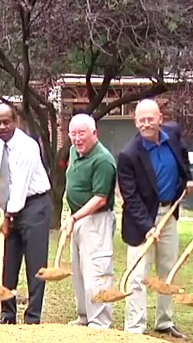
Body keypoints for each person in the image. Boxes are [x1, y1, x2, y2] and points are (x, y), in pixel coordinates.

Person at [116, 99, 193, 338]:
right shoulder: (128, 155)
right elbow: (130, 197)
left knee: (168, 270)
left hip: (169, 213)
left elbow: (182, 157)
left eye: (151, 118)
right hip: (142, 219)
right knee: (138, 274)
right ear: (135, 121)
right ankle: (135, 327)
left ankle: (165, 321)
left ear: (160, 118)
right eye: (141, 119)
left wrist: (188, 179)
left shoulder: (172, 134)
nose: (146, 124)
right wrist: (148, 227)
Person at [0, 104, 52, 325]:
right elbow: (7, 180)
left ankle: (32, 317)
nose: (3, 126)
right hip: (12, 205)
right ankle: (7, 314)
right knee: (9, 261)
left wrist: (7, 218)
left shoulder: (27, 147)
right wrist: (6, 213)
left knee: (36, 265)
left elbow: (21, 186)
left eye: (7, 121)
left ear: (15, 121)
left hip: (35, 205)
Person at [61, 114, 117, 329]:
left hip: (97, 220)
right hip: (78, 218)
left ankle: (100, 322)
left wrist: (76, 216)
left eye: (81, 133)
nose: (77, 138)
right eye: (73, 133)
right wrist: (73, 216)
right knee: (80, 271)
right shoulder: (75, 151)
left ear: (94, 133)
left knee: (97, 270)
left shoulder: (103, 160)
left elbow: (100, 198)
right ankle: (84, 316)